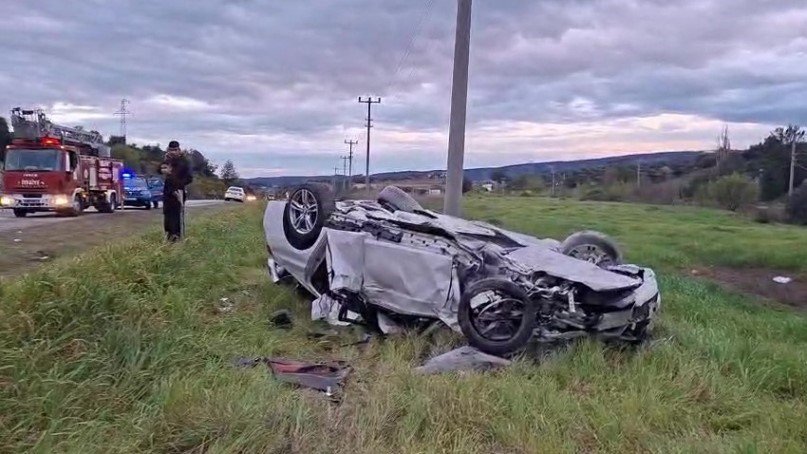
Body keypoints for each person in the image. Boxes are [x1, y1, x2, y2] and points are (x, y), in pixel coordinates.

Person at [160, 140, 193, 242]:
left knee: (176, 216)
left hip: (178, 192)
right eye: (171, 150)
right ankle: (168, 236)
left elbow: (189, 178)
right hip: (168, 192)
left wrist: (179, 185)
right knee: (167, 215)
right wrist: (163, 169)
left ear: (179, 150)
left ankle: (177, 237)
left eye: (175, 150)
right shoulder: (167, 160)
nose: (173, 152)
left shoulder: (184, 162)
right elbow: (160, 169)